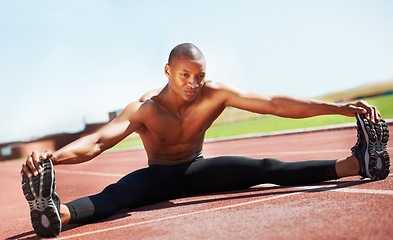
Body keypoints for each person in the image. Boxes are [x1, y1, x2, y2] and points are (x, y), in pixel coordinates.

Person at [21, 43, 390, 238]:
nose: (193, 84)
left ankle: (357, 164)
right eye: (185, 75)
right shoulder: (145, 109)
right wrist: (52, 157)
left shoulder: (214, 94)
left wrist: (339, 109)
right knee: (118, 196)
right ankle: (56, 213)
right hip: (159, 175)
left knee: (267, 168)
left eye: (200, 77)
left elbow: (276, 104)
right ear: (168, 71)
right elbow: (99, 142)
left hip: (198, 168)